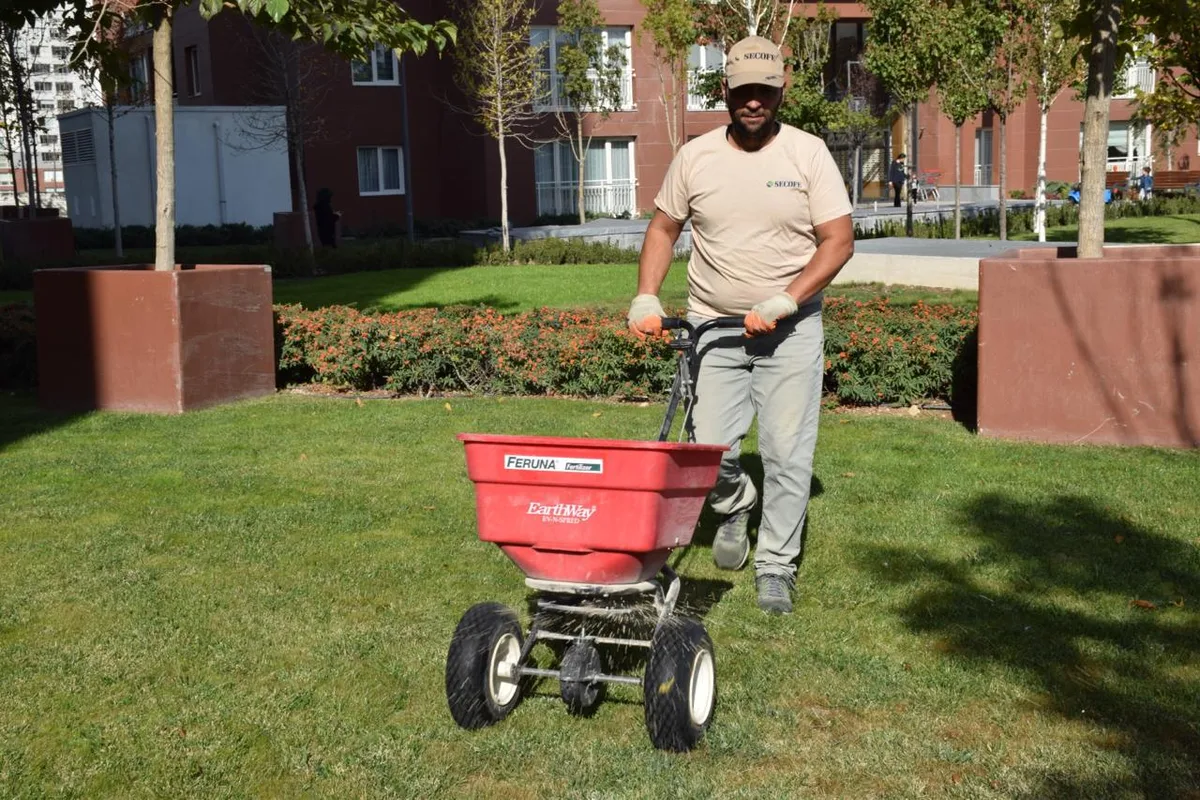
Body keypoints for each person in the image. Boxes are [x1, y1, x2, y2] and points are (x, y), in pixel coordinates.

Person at [626, 36, 855, 615]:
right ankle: (734, 505)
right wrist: (646, 296)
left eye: (766, 91)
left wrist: (788, 298)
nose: (755, 102)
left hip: (790, 330)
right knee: (710, 451)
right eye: (744, 91)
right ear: (724, 90)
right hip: (713, 329)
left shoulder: (808, 154)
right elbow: (662, 229)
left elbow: (839, 241)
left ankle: (776, 565)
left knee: (786, 453)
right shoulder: (696, 157)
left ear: (782, 91)